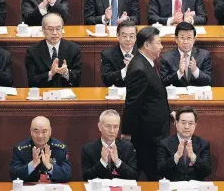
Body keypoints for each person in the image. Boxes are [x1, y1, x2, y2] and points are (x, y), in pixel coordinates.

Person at [121, 27, 171, 181]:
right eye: (159, 43)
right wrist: (127, 132)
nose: (162, 47)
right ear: (147, 45)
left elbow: (155, 95)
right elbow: (133, 104)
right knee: (155, 176)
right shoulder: (139, 69)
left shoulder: (147, 62)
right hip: (148, 135)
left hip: (154, 131)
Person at [25, 13, 81, 87]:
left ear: (62, 29)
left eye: (58, 28)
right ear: (43, 30)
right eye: (50, 29)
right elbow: (32, 82)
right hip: (43, 94)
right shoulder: (33, 51)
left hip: (66, 95)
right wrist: (50, 73)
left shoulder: (74, 49)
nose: (55, 33)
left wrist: (66, 73)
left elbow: (78, 80)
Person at [10, 116, 71, 182]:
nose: (40, 135)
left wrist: (49, 166)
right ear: (30, 131)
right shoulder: (20, 150)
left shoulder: (60, 149)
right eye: (36, 131)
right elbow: (14, 175)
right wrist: (32, 165)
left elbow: (67, 175)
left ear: (50, 132)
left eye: (44, 131)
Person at [157, 106, 211, 181]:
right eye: (183, 123)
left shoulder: (203, 144)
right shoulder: (164, 144)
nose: (187, 127)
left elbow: (207, 172)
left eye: (190, 123)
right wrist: (176, 157)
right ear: (176, 123)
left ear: (195, 126)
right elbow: (160, 172)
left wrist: (193, 157)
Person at [81, 110, 138, 180]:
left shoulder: (128, 147)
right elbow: (86, 177)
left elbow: (134, 176)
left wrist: (117, 162)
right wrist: (102, 162)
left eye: (116, 126)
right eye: (108, 126)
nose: (112, 131)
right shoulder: (88, 149)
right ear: (99, 126)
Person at [160, 22, 212, 87]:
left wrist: (195, 71)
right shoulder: (166, 57)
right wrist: (179, 73)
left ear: (194, 39)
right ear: (176, 39)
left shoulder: (204, 55)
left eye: (189, 38)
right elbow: (163, 83)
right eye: (182, 38)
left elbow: (209, 81)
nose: (186, 42)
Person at [101, 21, 138, 87]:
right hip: (116, 94)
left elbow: (149, 78)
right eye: (124, 36)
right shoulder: (107, 54)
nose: (128, 39)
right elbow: (106, 80)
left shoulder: (142, 53)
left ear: (135, 38)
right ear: (118, 36)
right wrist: (124, 71)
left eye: (131, 36)